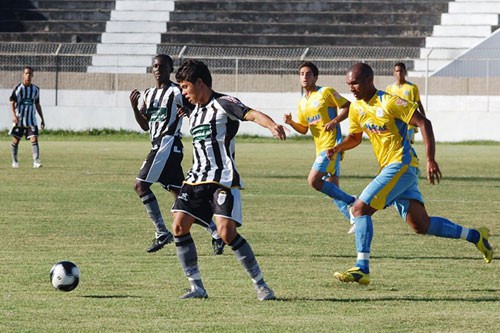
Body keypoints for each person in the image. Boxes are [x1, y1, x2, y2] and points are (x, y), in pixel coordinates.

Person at [326, 63, 493, 285]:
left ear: (368, 80)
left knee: (359, 209)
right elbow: (355, 138)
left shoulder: (390, 102)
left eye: (355, 83)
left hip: (401, 165)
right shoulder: (356, 108)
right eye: (349, 84)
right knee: (420, 225)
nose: (351, 88)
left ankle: (362, 267)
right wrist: (338, 148)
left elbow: (424, 122)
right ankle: (476, 236)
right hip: (391, 169)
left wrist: (430, 158)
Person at [172, 59, 286, 300]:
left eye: (185, 86)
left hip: (222, 179)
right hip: (195, 178)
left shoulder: (223, 104)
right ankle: (196, 287)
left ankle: (261, 285)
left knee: (226, 233)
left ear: (199, 82)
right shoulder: (194, 110)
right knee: (179, 226)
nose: (183, 92)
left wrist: (272, 125)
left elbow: (251, 114)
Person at [130, 54, 224, 255]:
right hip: (160, 145)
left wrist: (188, 113)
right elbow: (145, 125)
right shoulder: (147, 95)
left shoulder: (176, 91)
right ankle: (216, 233)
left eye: (162, 66)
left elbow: (197, 106)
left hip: (167, 144)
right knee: (183, 199)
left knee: (140, 185)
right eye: (155, 66)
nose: (157, 69)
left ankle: (162, 232)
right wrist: (134, 108)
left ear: (169, 69)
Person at [284, 61, 356, 233]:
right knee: (332, 190)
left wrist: (334, 121)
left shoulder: (326, 92)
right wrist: (291, 122)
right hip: (320, 148)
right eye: (301, 74)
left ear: (315, 77)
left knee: (313, 180)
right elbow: (303, 129)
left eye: (308, 74)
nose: (304, 77)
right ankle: (356, 220)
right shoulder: (302, 102)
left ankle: (353, 201)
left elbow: (348, 107)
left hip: (332, 146)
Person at [9, 66, 45, 168]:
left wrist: (42, 119)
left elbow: (37, 104)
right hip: (20, 119)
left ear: (32, 75)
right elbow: (12, 102)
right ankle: (14, 161)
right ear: (23, 74)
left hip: (31, 120)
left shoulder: (35, 90)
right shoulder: (18, 88)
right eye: (26, 73)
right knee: (16, 140)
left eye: (30, 73)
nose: (28, 75)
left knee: (34, 139)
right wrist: (14, 116)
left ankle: (36, 161)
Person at [385, 62, 426, 143]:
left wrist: (424, 119)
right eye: (397, 71)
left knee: (408, 146)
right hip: (395, 123)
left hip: (409, 124)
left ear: (405, 72)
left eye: (401, 71)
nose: (399, 73)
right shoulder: (389, 88)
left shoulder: (412, 87)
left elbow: (419, 104)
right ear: (394, 73)